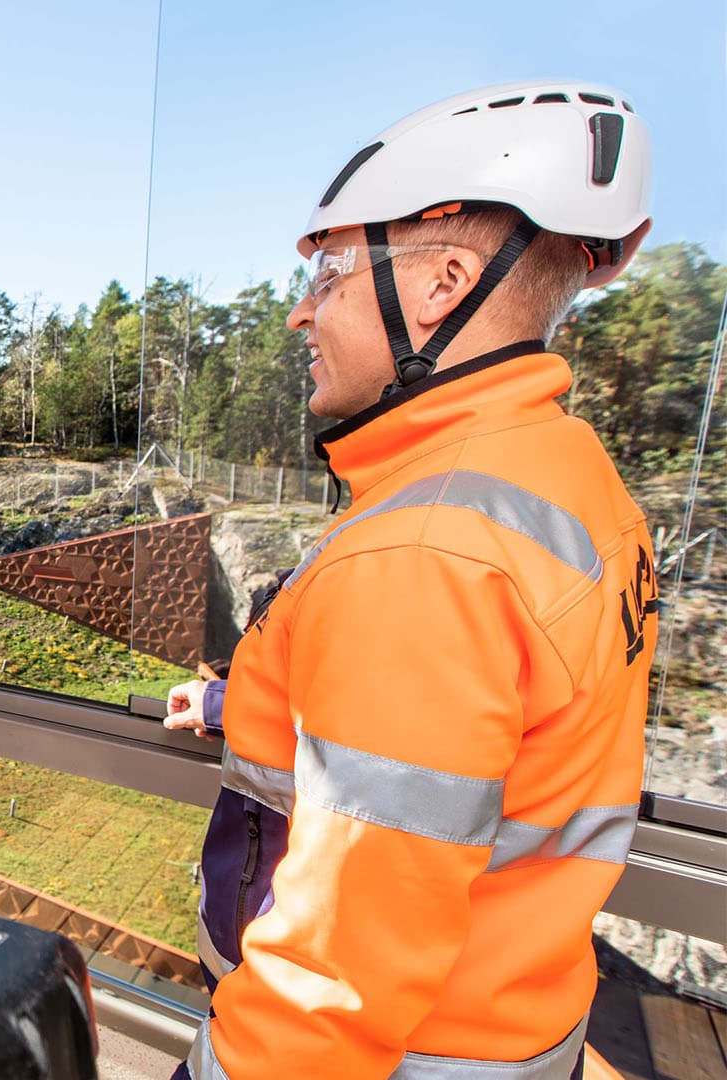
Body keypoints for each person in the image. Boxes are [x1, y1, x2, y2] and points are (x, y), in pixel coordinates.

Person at [165, 81, 660, 1079]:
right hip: (521, 1032)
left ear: (441, 284)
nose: (302, 313)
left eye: (331, 275)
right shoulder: (567, 483)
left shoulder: (424, 553)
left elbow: (331, 988)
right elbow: (473, 740)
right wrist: (234, 701)